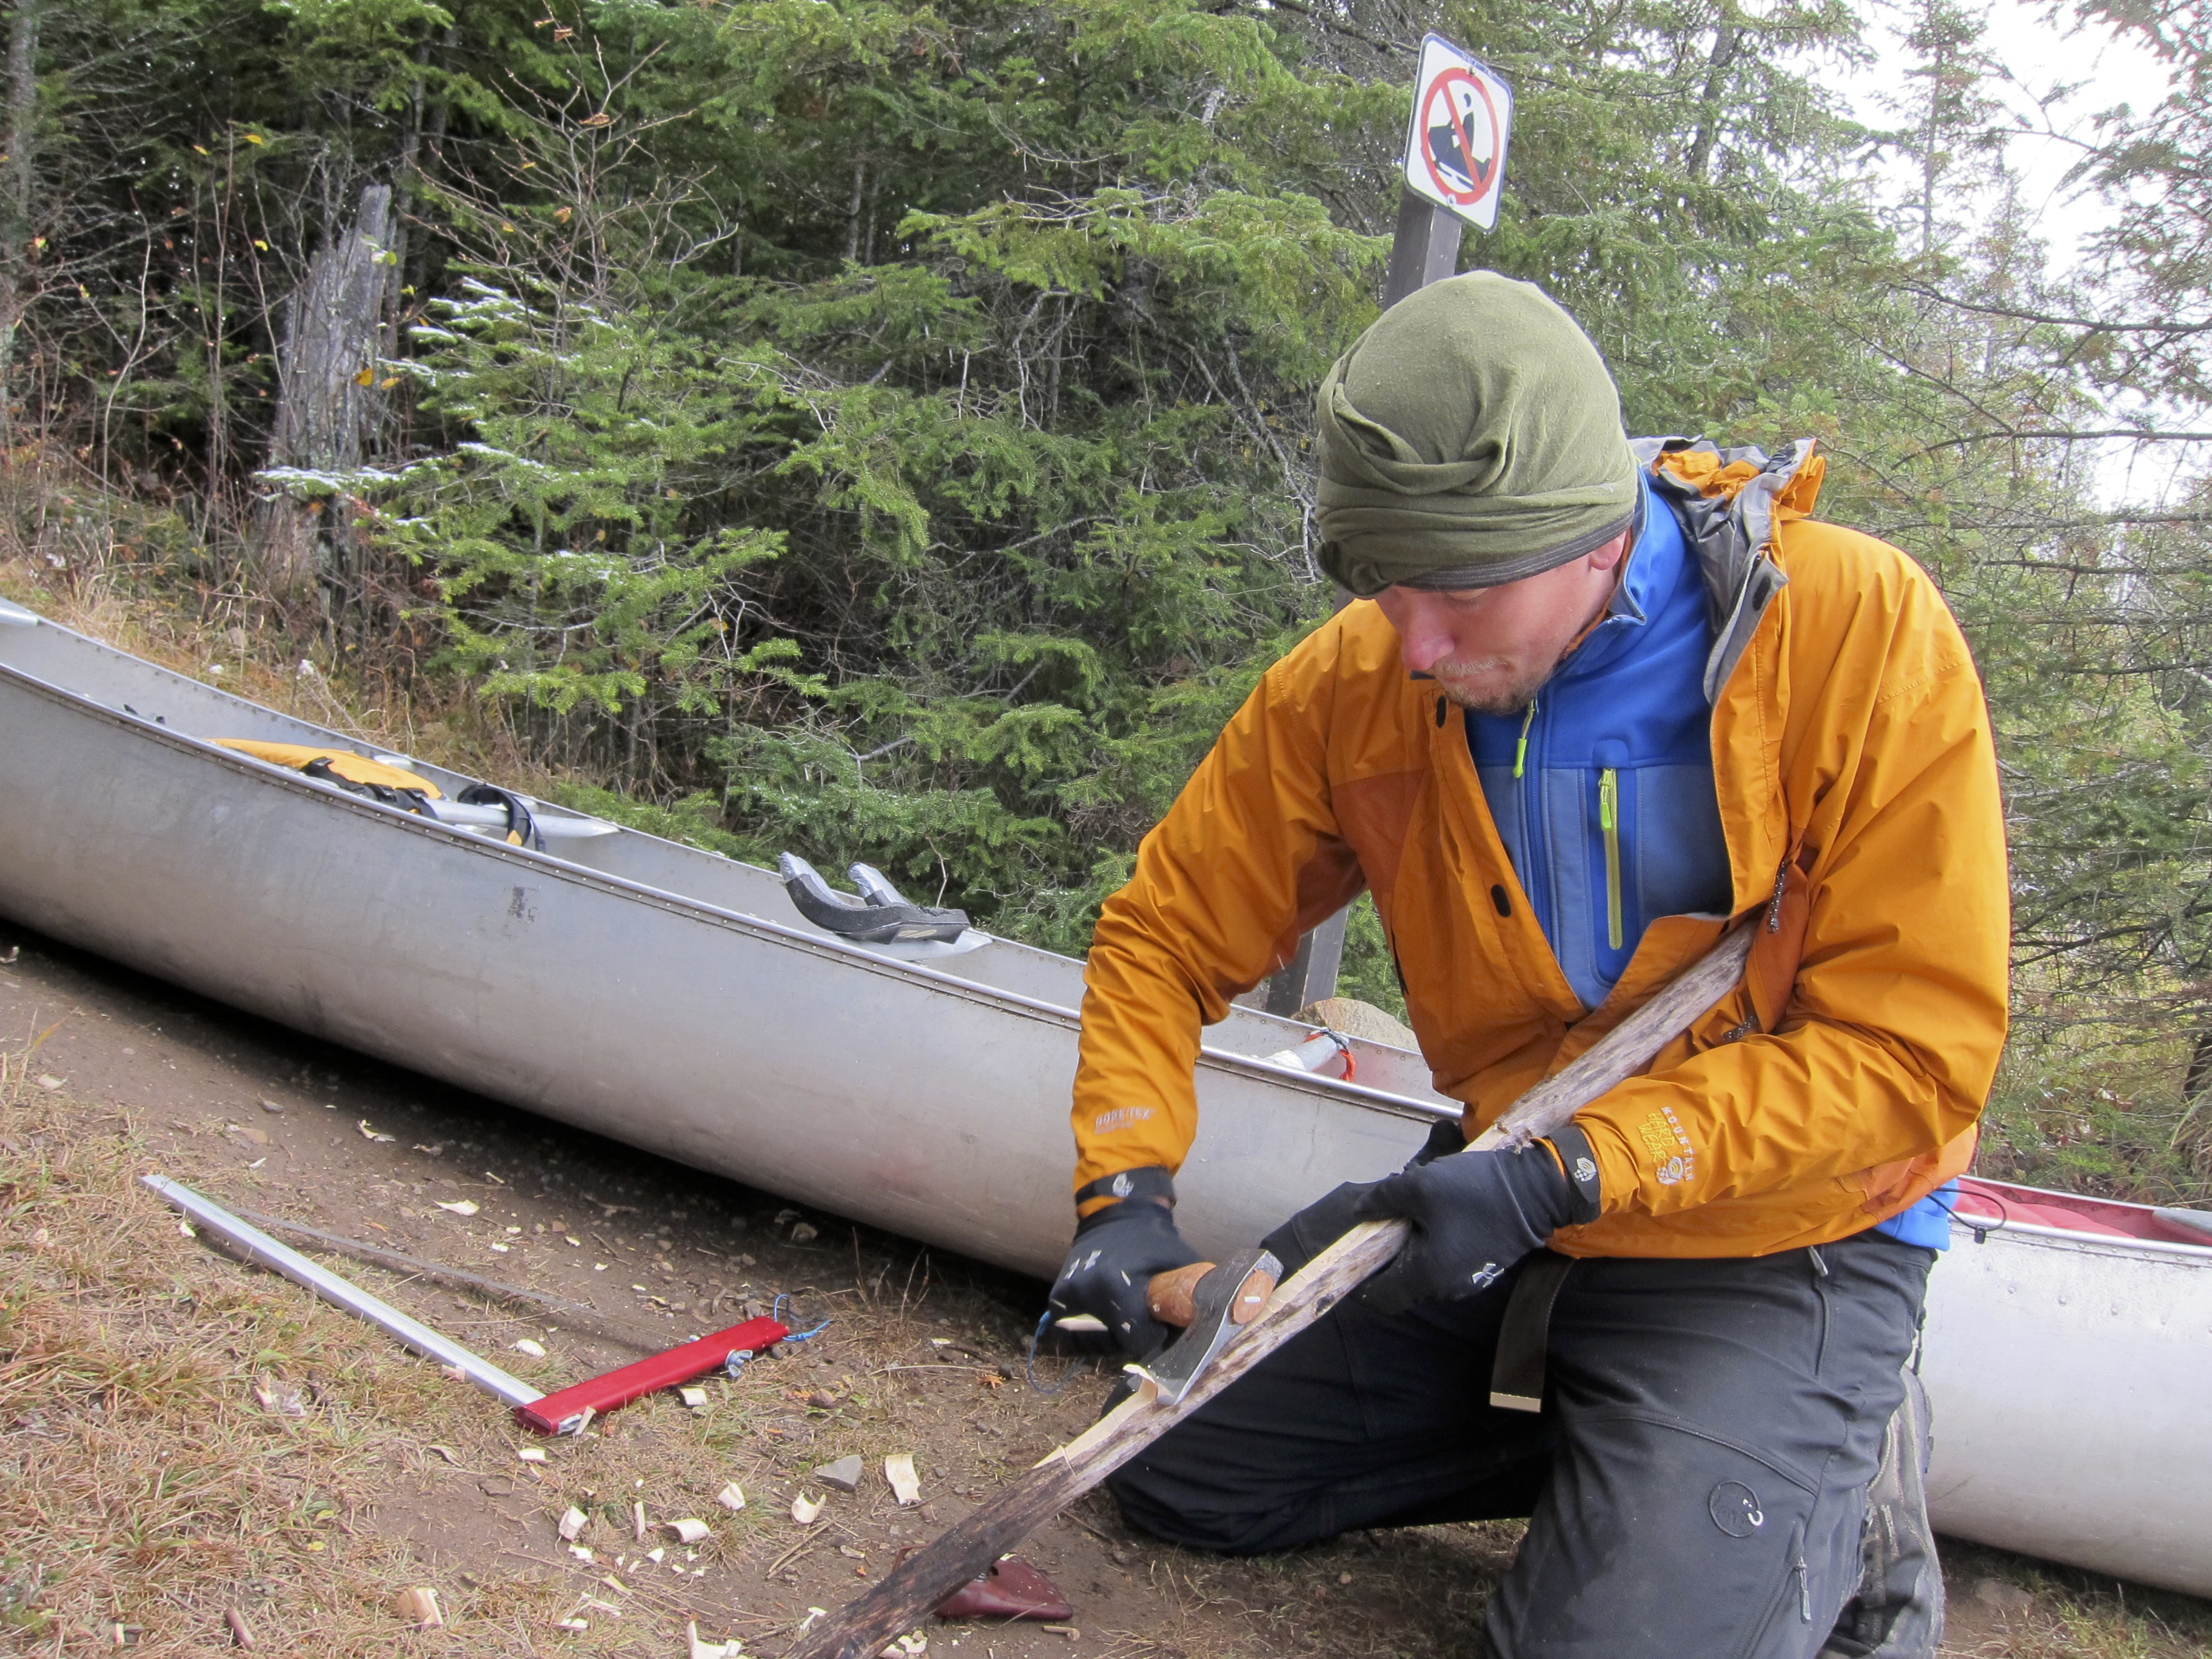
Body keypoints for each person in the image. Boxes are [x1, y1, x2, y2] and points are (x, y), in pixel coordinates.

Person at [1045, 272, 2009, 1659]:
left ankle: (1795, 1471)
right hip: (1516, 1189)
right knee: (1172, 1465)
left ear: (1594, 538)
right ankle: (1657, 1468)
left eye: (1457, 594)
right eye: (1387, 589)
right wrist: (1125, 1192)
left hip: (1778, 1230)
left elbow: (1913, 1057)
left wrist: (1572, 1171)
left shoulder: (1854, 635)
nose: (1415, 646)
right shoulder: (1365, 678)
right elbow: (1164, 932)